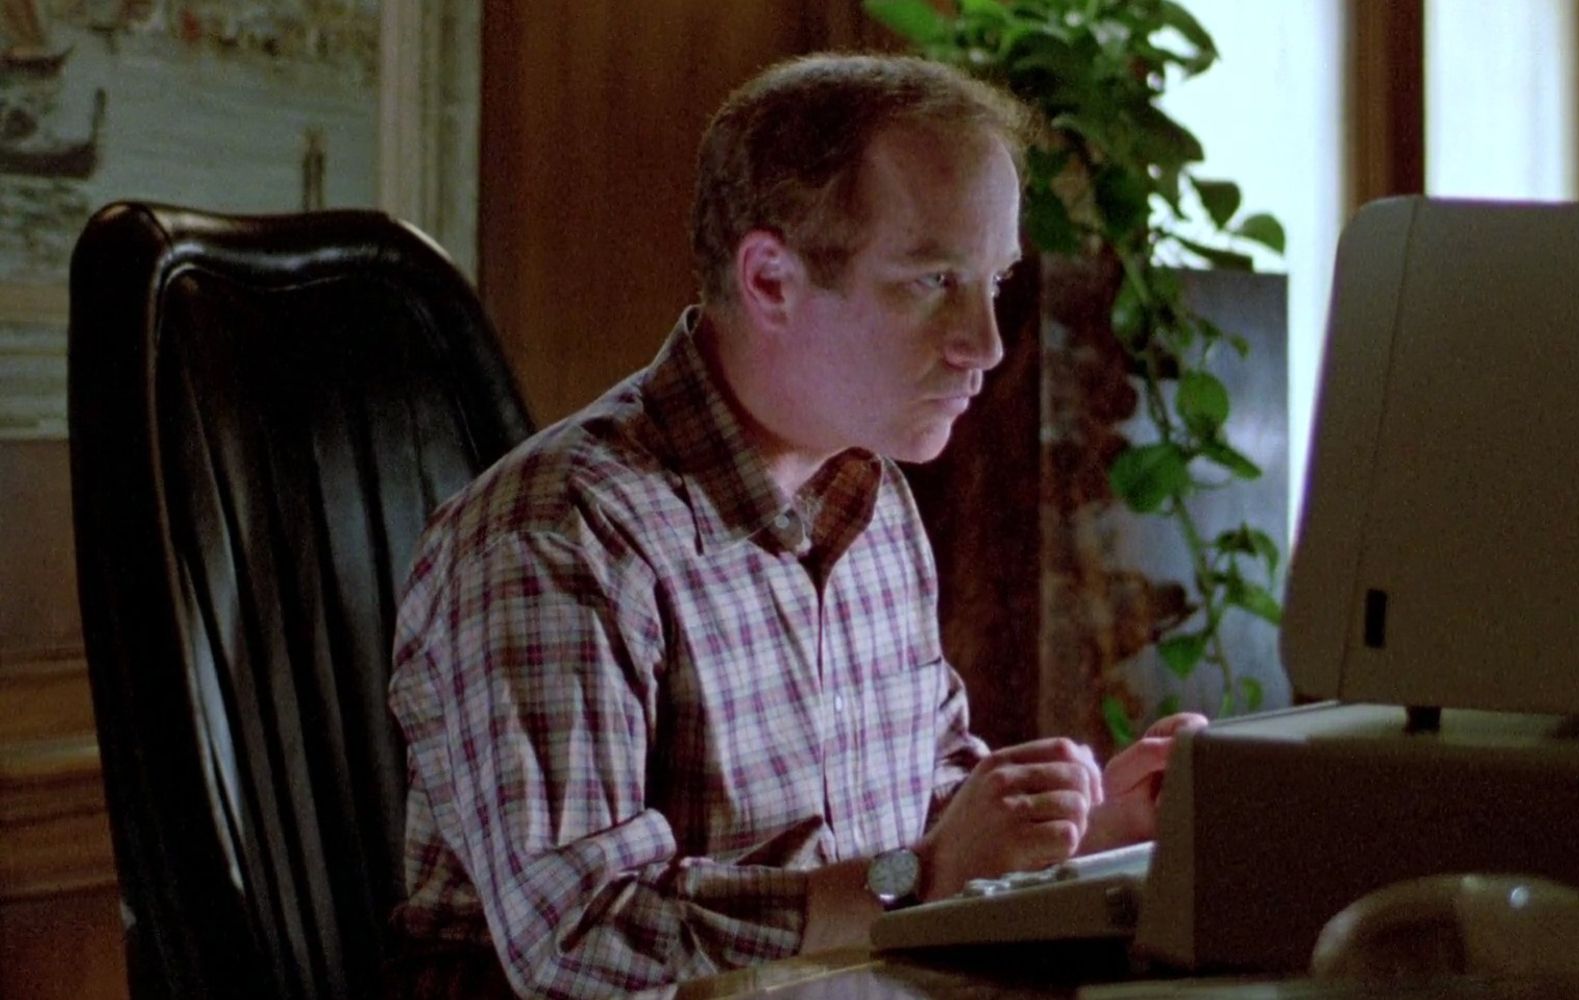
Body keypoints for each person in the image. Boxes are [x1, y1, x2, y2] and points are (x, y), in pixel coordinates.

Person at [384, 53, 1205, 998]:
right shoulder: (558, 538)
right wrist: (927, 880)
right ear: (770, 280)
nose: (985, 342)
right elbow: (582, 938)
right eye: (933, 279)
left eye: (994, 279)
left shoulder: (871, 495)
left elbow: (921, 816)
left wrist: (1082, 828)